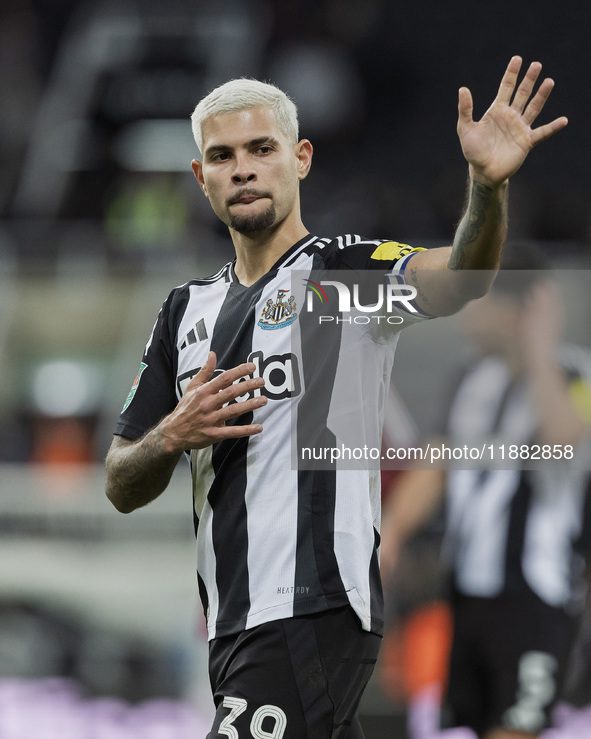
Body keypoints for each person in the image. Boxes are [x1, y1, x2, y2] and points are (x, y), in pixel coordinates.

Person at [105, 57, 567, 739]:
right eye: (222, 156)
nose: (242, 168)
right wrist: (171, 434)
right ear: (201, 178)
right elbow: (119, 480)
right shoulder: (183, 312)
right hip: (231, 622)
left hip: (309, 608)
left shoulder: (339, 277)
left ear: (300, 159)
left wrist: (485, 190)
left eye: (261, 149)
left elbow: (458, 280)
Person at [380, 247, 591, 739]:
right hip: (469, 593)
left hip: (537, 596)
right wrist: (389, 533)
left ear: (522, 306)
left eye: (480, 294)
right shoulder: (471, 380)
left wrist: (537, 347)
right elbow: (434, 467)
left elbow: (565, 439)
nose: (466, 306)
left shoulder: (574, 374)